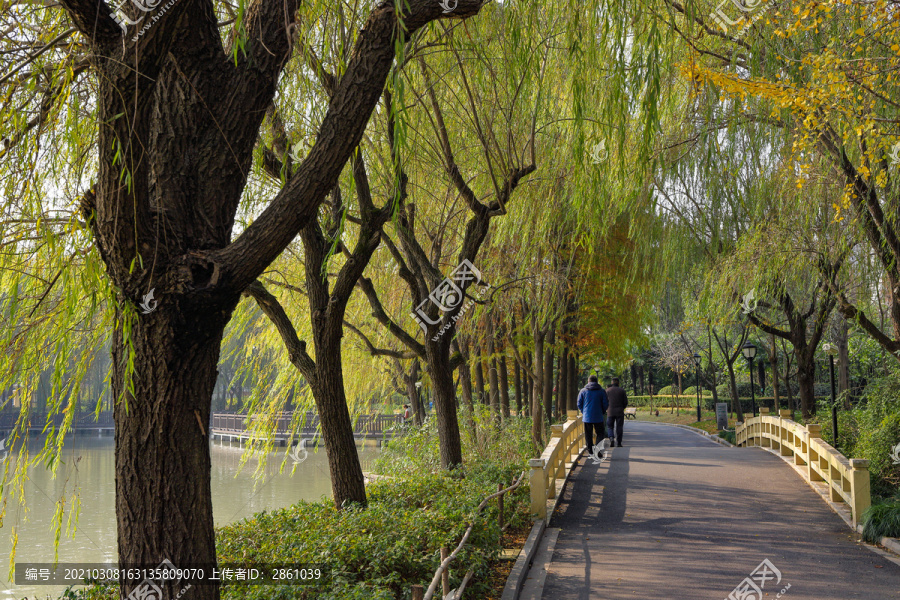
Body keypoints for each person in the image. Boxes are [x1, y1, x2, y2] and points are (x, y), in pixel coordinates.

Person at [577, 375, 609, 455]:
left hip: (587, 416)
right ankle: (597, 449)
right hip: (598, 416)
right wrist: (602, 411)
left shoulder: (583, 391)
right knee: (600, 433)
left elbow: (579, 403)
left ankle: (590, 450)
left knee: (588, 434)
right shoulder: (601, 391)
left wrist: (584, 411)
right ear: (596, 381)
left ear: (588, 381)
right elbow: (605, 403)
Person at [606, 377, 628, 447]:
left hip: (610, 412)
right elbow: (625, 402)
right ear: (618, 383)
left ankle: (611, 438)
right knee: (619, 427)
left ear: (612, 382)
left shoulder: (607, 390)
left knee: (610, 427)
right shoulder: (622, 391)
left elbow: (605, 401)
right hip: (619, 412)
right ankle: (619, 442)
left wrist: (607, 408)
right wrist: (622, 408)